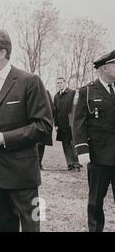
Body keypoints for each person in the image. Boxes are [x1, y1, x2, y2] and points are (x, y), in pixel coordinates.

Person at [0, 29, 53, 232]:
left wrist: (4, 139)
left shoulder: (30, 81)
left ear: (2, 53)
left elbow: (44, 126)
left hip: (22, 175)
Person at [72, 50, 115, 232]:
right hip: (99, 157)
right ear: (105, 68)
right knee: (96, 200)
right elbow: (78, 124)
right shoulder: (87, 91)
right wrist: (82, 151)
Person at [53, 77, 81, 171]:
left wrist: (76, 121)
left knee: (73, 143)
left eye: (61, 82)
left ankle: (76, 164)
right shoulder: (56, 96)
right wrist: (56, 124)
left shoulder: (72, 93)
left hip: (71, 123)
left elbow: (76, 108)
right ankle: (70, 164)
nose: (59, 84)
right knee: (65, 144)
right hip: (61, 124)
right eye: (58, 83)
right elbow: (55, 111)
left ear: (65, 83)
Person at [37, 90, 54, 170]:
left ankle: (38, 163)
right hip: (36, 121)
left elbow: (51, 108)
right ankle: (37, 163)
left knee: (41, 144)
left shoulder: (45, 92)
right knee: (38, 144)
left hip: (43, 121)